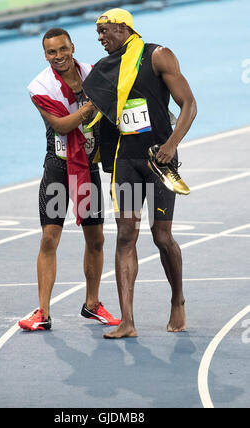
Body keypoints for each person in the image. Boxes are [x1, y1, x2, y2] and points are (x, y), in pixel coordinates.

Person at [83, 9, 197, 338]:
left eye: (105, 31)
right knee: (125, 236)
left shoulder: (158, 56)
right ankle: (127, 321)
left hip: (159, 162)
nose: (101, 38)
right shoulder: (105, 70)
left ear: (124, 27)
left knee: (162, 237)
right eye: (98, 34)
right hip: (126, 162)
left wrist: (172, 146)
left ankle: (177, 299)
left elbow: (188, 103)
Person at [19, 28, 121, 331]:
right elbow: (61, 125)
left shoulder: (92, 73)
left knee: (97, 239)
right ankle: (43, 312)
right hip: (58, 168)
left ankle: (92, 305)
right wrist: (92, 105)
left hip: (87, 166)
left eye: (63, 49)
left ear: (72, 47)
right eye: (52, 52)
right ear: (45, 54)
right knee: (50, 237)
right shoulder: (40, 86)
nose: (59, 56)